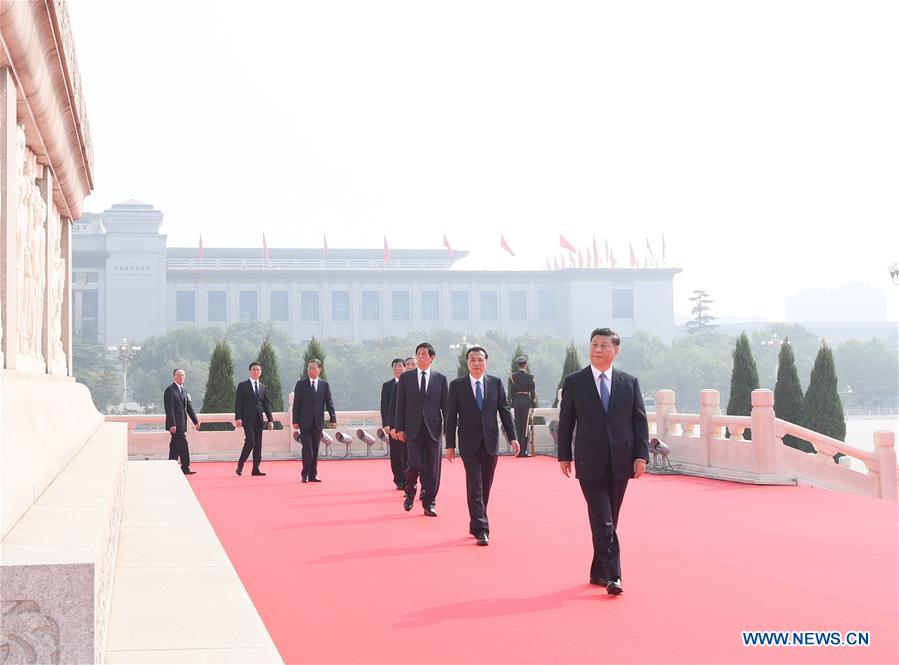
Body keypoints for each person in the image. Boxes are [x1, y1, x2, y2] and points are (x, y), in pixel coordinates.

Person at [557, 328, 649, 595]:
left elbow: (639, 421)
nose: (598, 350)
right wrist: (564, 454)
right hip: (589, 461)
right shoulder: (576, 381)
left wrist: (641, 455)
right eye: (594, 345)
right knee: (602, 519)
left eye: (604, 346)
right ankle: (613, 575)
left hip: (622, 460)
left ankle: (599, 571)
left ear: (615, 351)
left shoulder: (629, 382)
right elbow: (566, 422)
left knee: (611, 518)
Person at [445, 347, 519, 546]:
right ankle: (481, 529)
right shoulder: (457, 385)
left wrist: (513, 437)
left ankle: (476, 520)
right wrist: (450, 445)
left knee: (485, 485)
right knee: (475, 486)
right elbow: (451, 417)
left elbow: (504, 411)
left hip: (490, 442)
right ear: (467, 362)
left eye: (480, 360)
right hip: (469, 444)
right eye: (472, 360)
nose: (476, 363)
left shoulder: (495, 383)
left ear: (486, 362)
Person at [394, 342, 448, 517]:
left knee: (432, 469)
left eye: (425, 354)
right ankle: (410, 492)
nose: (421, 357)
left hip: (433, 429)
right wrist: (399, 428)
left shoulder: (440, 379)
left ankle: (429, 502)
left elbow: (445, 407)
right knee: (414, 464)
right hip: (412, 429)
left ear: (432, 358)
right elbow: (400, 405)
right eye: (419, 354)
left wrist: (448, 429)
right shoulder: (406, 378)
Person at [292, 358, 337, 483]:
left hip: (318, 422)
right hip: (304, 422)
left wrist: (333, 418)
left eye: (314, 368)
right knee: (308, 449)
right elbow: (297, 404)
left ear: (319, 370)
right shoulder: (300, 384)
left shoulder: (324, 384)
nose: (311, 370)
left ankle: (313, 475)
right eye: (309, 368)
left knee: (315, 449)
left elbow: (329, 402)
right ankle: (305, 474)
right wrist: (295, 421)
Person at [234, 361, 274, 476]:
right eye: (254, 369)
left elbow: (266, 405)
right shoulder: (243, 385)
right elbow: (238, 403)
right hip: (246, 419)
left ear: (260, 372)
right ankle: (240, 464)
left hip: (259, 419)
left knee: (258, 444)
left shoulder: (263, 387)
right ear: (249, 371)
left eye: (258, 370)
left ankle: (256, 468)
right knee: (250, 441)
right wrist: (238, 417)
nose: (256, 372)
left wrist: (270, 420)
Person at [163, 368, 200, 475]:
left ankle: (171, 465)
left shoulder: (184, 391)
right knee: (183, 445)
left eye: (183, 375)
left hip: (182, 423)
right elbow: (169, 409)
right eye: (178, 375)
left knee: (174, 446)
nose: (181, 377)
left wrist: (195, 421)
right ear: (174, 376)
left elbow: (188, 407)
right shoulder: (170, 390)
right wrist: (172, 424)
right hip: (175, 425)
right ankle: (185, 467)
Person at [381, 358, 406, 490]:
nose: (398, 368)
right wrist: (386, 424)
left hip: (407, 426)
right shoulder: (387, 385)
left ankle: (409, 479)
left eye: (400, 366)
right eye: (395, 366)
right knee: (396, 454)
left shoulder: (409, 384)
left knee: (407, 454)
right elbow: (384, 406)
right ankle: (399, 480)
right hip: (393, 426)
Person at [509, 355, 536, 457]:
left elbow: (511, 392)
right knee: (524, 426)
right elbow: (532, 392)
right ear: (526, 364)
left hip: (516, 401)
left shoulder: (513, 377)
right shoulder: (530, 377)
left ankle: (517, 450)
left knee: (518, 425)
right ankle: (523, 450)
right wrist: (533, 406)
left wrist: (511, 403)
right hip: (525, 401)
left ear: (518, 365)